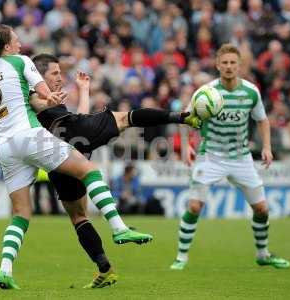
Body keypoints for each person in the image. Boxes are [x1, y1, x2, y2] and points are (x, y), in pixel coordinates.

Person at [0, 25, 152, 290]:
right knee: (89, 170)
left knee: (21, 214)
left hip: (5, 146)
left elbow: (20, 101)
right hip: (28, 135)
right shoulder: (21, 61)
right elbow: (41, 89)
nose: (20, 44)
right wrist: (52, 97)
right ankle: (119, 228)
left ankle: (5, 270)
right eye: (15, 40)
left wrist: (46, 102)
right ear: (5, 46)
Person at [30, 53, 201, 288]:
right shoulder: (35, 94)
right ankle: (182, 117)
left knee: (78, 217)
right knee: (125, 118)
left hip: (60, 156)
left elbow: (79, 118)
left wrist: (84, 90)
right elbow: (47, 109)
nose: (60, 77)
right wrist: (50, 100)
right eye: (55, 73)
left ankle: (105, 269)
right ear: (39, 75)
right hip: (67, 137)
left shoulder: (50, 98)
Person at [170, 44, 290, 270]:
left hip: (241, 158)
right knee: (195, 206)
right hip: (210, 156)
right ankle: (181, 257)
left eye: (233, 63)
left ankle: (263, 254)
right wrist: (186, 147)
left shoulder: (251, 91)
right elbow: (185, 118)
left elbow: (262, 120)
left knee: (262, 209)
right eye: (224, 62)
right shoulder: (205, 92)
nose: (228, 66)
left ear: (239, 65)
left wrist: (266, 147)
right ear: (217, 65)